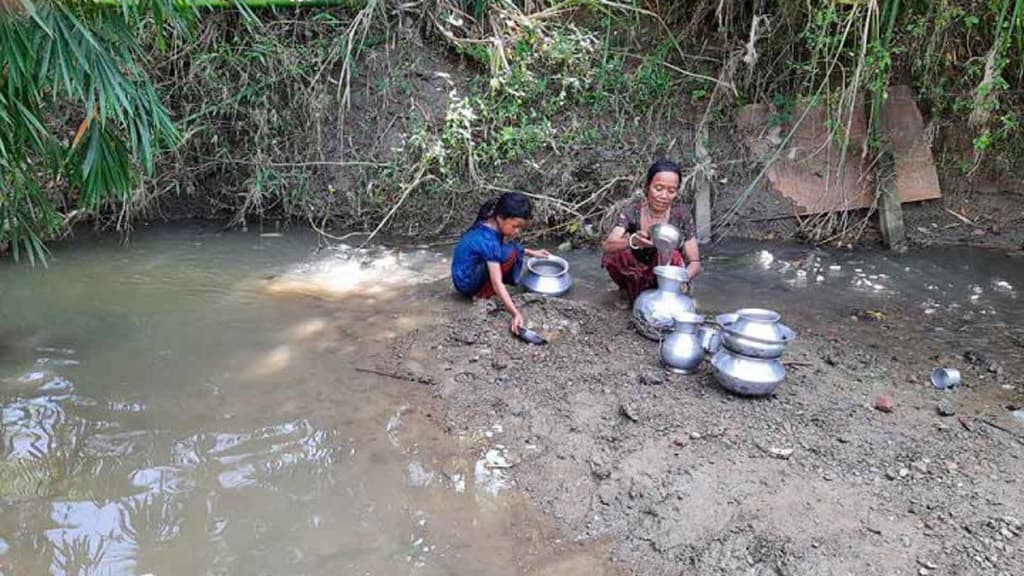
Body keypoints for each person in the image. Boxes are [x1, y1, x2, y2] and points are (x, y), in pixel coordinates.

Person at [601, 159, 701, 303]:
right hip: (637, 275)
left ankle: (668, 296)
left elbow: (695, 262)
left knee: (673, 255)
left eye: (671, 191)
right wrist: (632, 240)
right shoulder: (633, 211)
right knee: (617, 254)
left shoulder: (681, 215)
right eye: (658, 188)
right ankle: (627, 292)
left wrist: (681, 278)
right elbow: (608, 245)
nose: (664, 196)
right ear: (647, 187)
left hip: (669, 281)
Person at [452, 192, 551, 334]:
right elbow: (498, 283)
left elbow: (505, 249)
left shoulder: (489, 223)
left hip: (464, 272)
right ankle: (480, 295)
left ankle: (483, 288)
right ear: (500, 217)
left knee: (515, 248)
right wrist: (515, 313)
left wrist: (532, 253)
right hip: (465, 283)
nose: (517, 231)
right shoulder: (488, 241)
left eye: (521, 228)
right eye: (515, 226)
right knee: (511, 253)